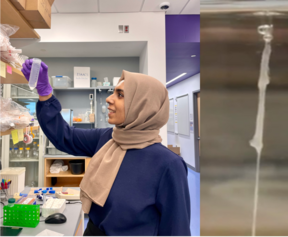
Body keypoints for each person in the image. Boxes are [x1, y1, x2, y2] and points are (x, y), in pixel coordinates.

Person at [22, 59, 191, 237]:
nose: (109, 99)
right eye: (113, 93)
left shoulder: (168, 165)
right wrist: (45, 93)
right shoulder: (107, 138)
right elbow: (64, 136)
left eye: (120, 95)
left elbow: (176, 230)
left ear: (142, 105)